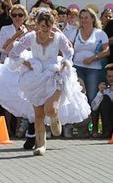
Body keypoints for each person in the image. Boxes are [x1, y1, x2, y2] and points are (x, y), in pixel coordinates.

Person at [7, 10, 91, 155]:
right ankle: (41, 145)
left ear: (53, 25)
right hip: (35, 76)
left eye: (48, 26)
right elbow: (13, 53)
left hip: (54, 73)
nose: (45, 29)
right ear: (37, 25)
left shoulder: (59, 37)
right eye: (42, 26)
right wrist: (25, 63)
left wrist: (65, 63)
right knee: (38, 114)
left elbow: (69, 52)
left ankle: (55, 116)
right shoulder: (30, 37)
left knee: (50, 109)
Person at [73, 8, 110, 136]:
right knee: (79, 98)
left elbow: (107, 51)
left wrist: (92, 58)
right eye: (81, 17)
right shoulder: (76, 32)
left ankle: (94, 129)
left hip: (93, 69)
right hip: (77, 68)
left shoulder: (99, 33)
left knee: (92, 98)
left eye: (86, 17)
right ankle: (81, 129)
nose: (83, 20)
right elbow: (70, 48)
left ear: (93, 19)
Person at [91, 63, 113, 139]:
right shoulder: (105, 88)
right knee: (105, 99)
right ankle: (100, 131)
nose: (111, 79)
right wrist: (100, 92)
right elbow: (94, 108)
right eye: (109, 76)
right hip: (108, 122)